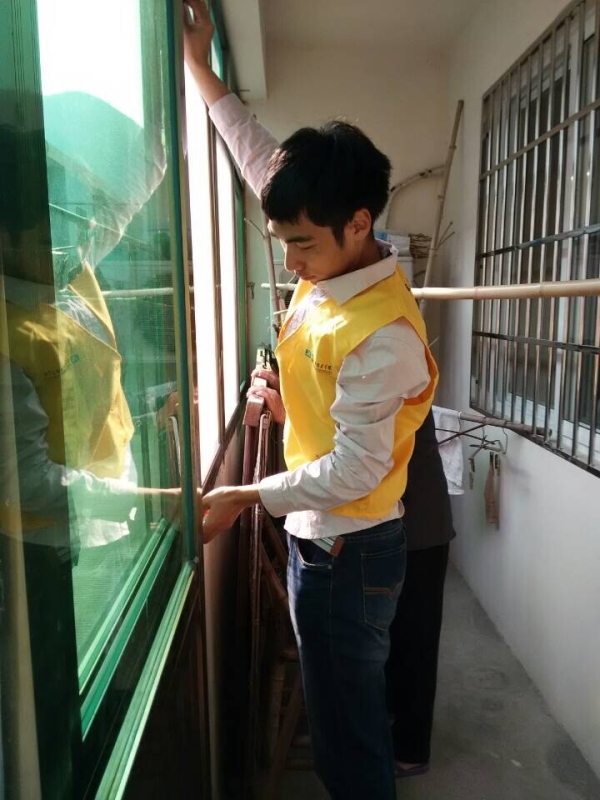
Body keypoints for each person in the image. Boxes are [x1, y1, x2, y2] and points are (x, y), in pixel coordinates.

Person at [183, 3, 438, 798]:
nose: (291, 263)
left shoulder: (382, 334)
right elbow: (259, 156)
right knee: (342, 724)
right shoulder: (332, 250)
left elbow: (356, 469)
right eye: (283, 241)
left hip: (346, 554)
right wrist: (200, 67)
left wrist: (244, 495)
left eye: (301, 244)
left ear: (359, 224)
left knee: (349, 743)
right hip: (329, 545)